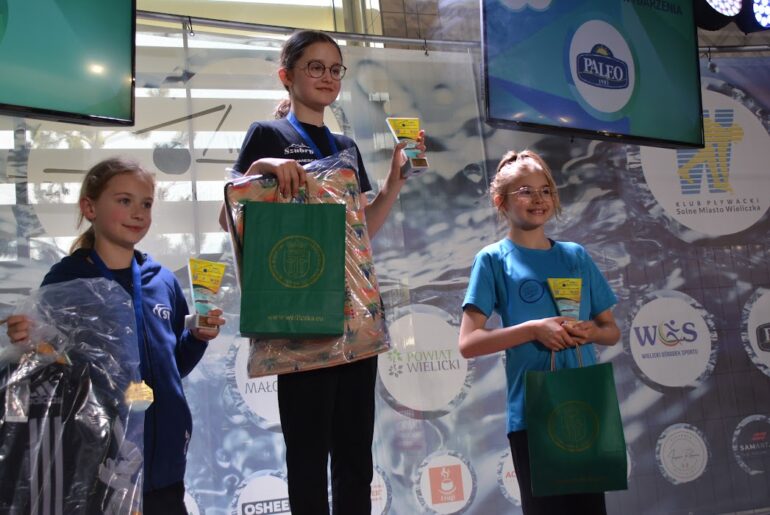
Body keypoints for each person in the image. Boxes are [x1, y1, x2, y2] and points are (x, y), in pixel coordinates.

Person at [218, 29, 425, 515]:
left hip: (354, 319)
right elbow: (229, 218)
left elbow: (360, 232)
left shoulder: (346, 146)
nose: (328, 77)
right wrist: (264, 166)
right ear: (286, 76)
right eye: (315, 67)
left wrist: (394, 182)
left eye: (335, 69)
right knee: (308, 459)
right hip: (300, 318)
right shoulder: (267, 135)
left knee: (355, 458)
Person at [5, 157, 225, 514]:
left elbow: (174, 367)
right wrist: (27, 338)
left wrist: (198, 338)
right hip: (100, 465)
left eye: (146, 204)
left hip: (166, 464)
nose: (138, 213)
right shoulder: (67, 281)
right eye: (124, 201)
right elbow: (52, 370)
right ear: (89, 208)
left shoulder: (162, 280)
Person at [458, 150, 620, 515]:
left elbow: (611, 331)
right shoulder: (492, 260)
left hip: (584, 405)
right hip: (532, 412)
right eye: (525, 191)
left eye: (545, 190)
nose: (539, 199)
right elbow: (468, 343)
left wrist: (589, 332)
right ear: (500, 201)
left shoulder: (575, 256)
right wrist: (534, 330)